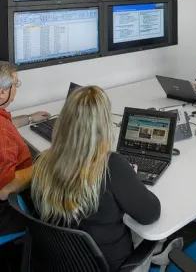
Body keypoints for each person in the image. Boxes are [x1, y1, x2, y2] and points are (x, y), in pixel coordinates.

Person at [31, 86, 161, 271]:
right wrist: (130, 179)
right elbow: (150, 214)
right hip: (109, 264)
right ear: (104, 124)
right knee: (156, 237)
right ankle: (161, 253)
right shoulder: (111, 166)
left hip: (61, 260)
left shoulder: (42, 161)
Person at [0, 61, 50, 236]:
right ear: (2, 92)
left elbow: (7, 123)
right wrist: (43, 164)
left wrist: (29, 118)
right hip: (7, 212)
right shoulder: (2, 134)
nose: (17, 88)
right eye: (16, 84)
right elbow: (5, 190)